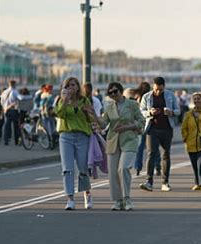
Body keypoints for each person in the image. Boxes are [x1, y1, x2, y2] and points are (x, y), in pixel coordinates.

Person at [97, 82, 144, 211]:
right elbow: (103, 124)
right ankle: (117, 201)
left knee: (123, 168)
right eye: (110, 93)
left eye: (115, 91)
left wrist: (127, 127)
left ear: (121, 91)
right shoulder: (109, 107)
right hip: (113, 141)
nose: (113, 94)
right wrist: (92, 115)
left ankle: (127, 198)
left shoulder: (132, 105)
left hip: (129, 140)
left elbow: (141, 121)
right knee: (113, 173)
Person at [55, 77, 94, 210]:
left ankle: (87, 193)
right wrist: (65, 100)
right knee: (67, 169)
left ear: (78, 87)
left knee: (83, 168)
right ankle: (70, 199)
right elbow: (59, 114)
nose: (71, 87)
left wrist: (89, 112)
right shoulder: (62, 101)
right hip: (66, 136)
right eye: (68, 85)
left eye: (73, 85)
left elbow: (90, 119)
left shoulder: (84, 100)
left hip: (82, 136)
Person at [139, 77, 180, 192]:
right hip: (152, 129)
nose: (158, 92)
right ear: (153, 86)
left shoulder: (170, 95)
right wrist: (149, 112)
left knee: (166, 154)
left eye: (160, 90)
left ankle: (165, 182)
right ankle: (149, 182)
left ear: (164, 87)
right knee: (151, 154)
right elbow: (141, 111)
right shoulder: (146, 96)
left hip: (167, 129)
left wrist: (171, 112)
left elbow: (178, 111)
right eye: (156, 89)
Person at [181, 92, 201, 192]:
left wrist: (199, 117)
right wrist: (185, 137)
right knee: (194, 165)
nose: (197, 101)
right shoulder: (188, 114)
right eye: (195, 99)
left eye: (199, 99)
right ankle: (197, 183)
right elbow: (184, 127)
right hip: (191, 144)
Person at [133, 81, 154, 176]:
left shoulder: (137, 98)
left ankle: (137, 167)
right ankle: (157, 166)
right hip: (150, 123)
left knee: (140, 147)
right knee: (153, 148)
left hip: (140, 124)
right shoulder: (149, 97)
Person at [1, 80, 20, 146]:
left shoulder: (4, 92)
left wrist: (4, 108)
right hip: (13, 110)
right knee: (16, 126)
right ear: (14, 84)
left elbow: (2, 101)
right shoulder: (14, 91)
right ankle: (16, 141)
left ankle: (6, 141)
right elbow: (20, 98)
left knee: (7, 126)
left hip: (6, 110)